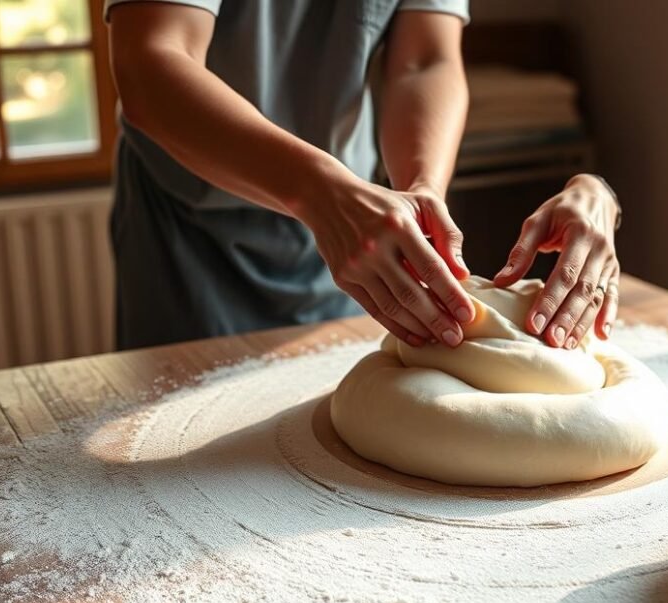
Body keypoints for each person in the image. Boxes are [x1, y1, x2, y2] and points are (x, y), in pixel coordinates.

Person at [106, 0, 622, 352]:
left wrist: (422, 192)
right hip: (188, 236)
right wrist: (320, 192)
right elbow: (151, 62)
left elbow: (424, 61)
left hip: (354, 229)